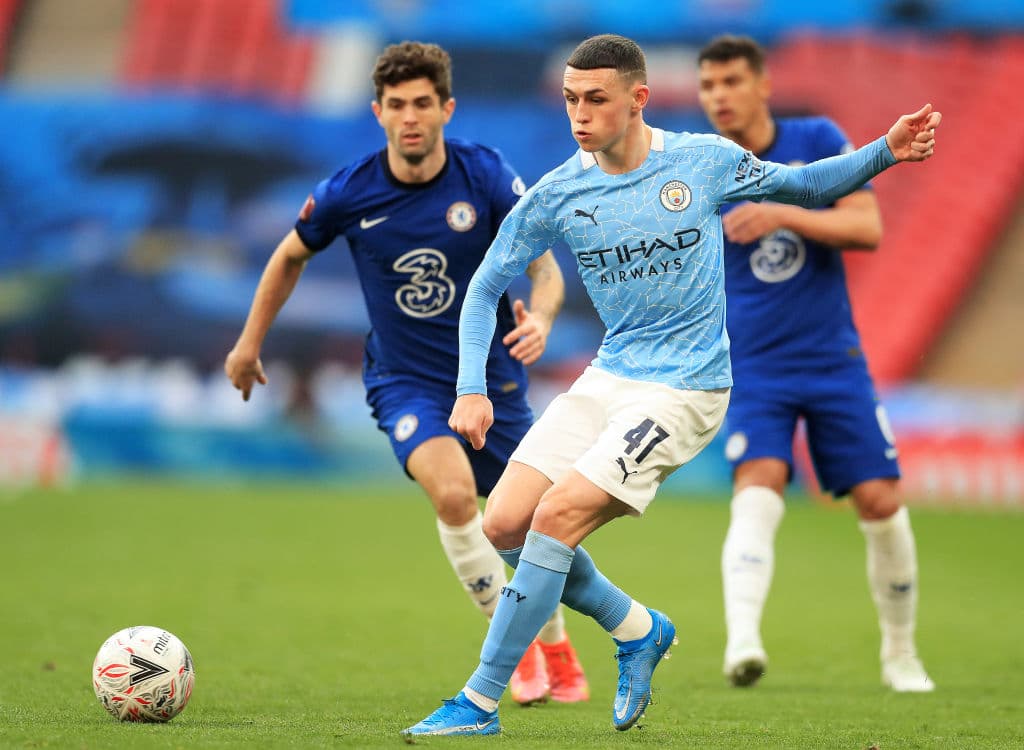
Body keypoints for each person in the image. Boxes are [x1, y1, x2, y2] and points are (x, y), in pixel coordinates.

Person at [402, 33, 940, 737]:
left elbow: (804, 184)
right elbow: (484, 289)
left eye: (596, 99)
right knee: (502, 522)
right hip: (609, 376)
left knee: (555, 517)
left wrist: (886, 151)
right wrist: (470, 387)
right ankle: (637, 627)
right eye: (570, 99)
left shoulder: (702, 161)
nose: (580, 115)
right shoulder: (561, 191)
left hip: (686, 387)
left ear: (638, 99)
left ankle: (478, 699)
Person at [224, 41, 589, 705]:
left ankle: (558, 647)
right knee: (453, 498)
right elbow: (287, 257)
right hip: (406, 382)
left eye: (423, 103)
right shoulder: (348, 190)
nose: (410, 117)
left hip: (494, 383)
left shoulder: (484, 175)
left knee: (529, 525)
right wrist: (249, 344)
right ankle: (524, 652)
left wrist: (541, 314)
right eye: (397, 105)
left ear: (446, 108)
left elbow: (543, 263)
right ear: (378, 112)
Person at [696, 35, 935, 693]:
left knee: (881, 499)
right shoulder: (702, 166)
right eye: (709, 86)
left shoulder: (817, 136)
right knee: (759, 484)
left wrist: (782, 213)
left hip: (832, 357)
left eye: (731, 82)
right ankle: (742, 642)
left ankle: (900, 654)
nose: (719, 97)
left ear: (763, 85)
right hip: (754, 366)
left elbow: (867, 229)